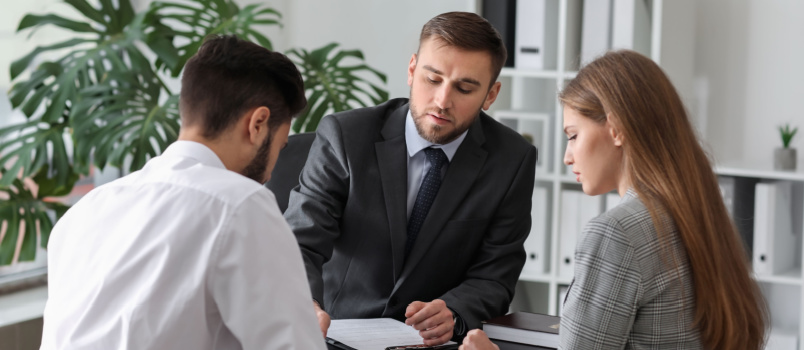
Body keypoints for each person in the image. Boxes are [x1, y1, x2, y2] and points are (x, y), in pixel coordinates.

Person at [460, 50, 768, 350]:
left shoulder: (617, 233)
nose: (567, 157)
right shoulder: (697, 213)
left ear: (616, 128)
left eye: (573, 135)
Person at [40, 35, 325, 349]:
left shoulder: (83, 211)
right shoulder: (240, 205)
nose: (272, 171)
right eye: (280, 147)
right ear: (257, 124)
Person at [284, 11, 537, 346]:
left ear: (490, 95)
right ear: (412, 69)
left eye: (464, 88)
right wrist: (307, 304)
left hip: (428, 342)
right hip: (335, 332)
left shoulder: (512, 159)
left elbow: (496, 274)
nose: (442, 101)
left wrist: (455, 311)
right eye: (432, 80)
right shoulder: (346, 136)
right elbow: (300, 241)